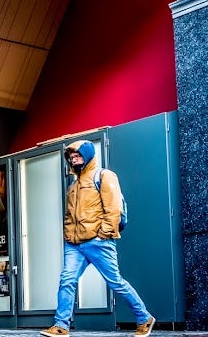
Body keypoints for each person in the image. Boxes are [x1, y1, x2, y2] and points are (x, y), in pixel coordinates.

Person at [41, 140, 155, 337]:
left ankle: (144, 318)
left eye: (78, 155)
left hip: (98, 241)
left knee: (115, 282)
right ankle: (61, 326)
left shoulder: (104, 175)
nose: (74, 159)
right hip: (74, 245)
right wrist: (68, 236)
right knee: (67, 280)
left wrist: (104, 234)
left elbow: (114, 208)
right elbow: (69, 216)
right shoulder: (74, 185)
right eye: (71, 157)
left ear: (87, 155)